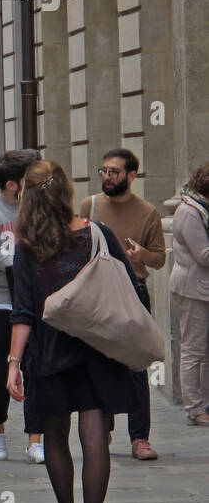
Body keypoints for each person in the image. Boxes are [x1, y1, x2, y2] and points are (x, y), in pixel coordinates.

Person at [7, 160, 140, 503]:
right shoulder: (98, 233)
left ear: (28, 200)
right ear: (66, 192)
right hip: (98, 346)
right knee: (95, 435)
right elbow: (128, 285)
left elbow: (24, 311)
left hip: (49, 352)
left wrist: (13, 363)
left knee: (54, 434)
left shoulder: (29, 247)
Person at [78, 148, 165, 461]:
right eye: (103, 171)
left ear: (131, 176)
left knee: (136, 366)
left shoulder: (147, 212)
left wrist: (141, 255)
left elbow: (160, 258)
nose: (107, 177)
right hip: (98, 293)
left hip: (133, 291)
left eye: (114, 172)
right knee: (99, 362)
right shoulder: (91, 204)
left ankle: (140, 437)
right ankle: (104, 427)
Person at [0, 150, 44, 462]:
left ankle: (35, 438)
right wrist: (27, 268)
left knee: (36, 368)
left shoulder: (41, 207)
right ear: (14, 184)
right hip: (0, 300)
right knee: (0, 366)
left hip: (37, 300)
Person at [171, 162, 209, 426]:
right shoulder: (190, 211)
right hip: (193, 289)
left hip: (202, 288)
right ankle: (194, 409)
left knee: (204, 352)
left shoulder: (201, 209)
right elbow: (204, 256)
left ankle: (204, 404)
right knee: (193, 350)